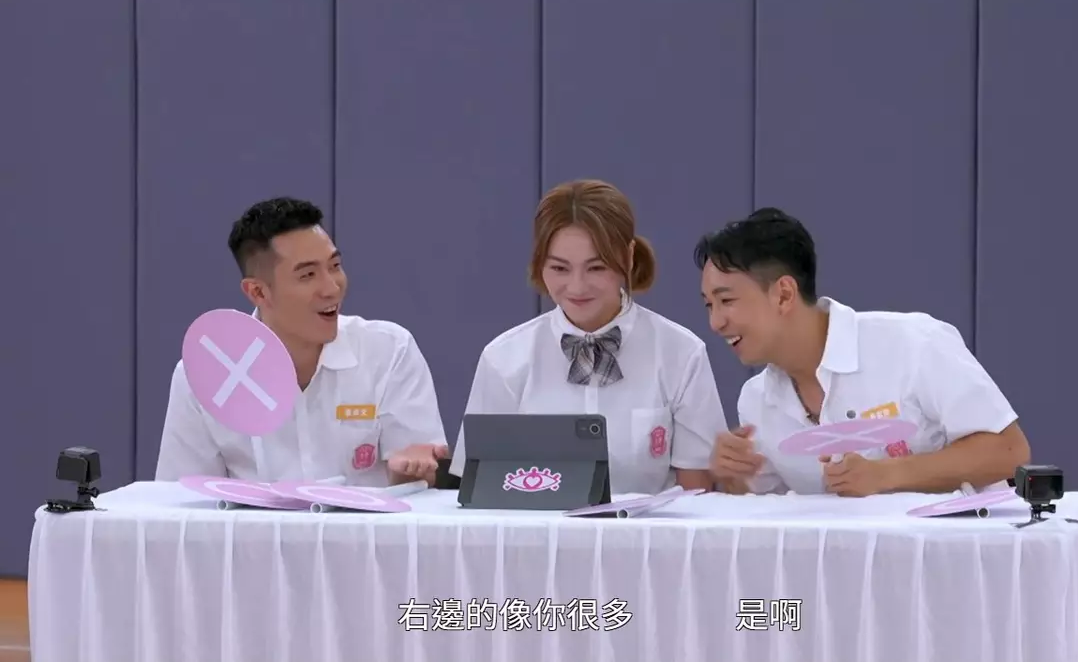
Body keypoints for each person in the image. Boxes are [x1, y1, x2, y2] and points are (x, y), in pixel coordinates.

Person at [696, 208, 1030, 496]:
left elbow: (1009, 451)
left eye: (726, 301)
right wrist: (734, 476)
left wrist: (888, 475)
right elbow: (773, 519)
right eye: (709, 305)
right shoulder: (755, 401)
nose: (715, 322)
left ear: (784, 294)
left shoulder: (915, 343)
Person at [448, 180, 727, 494]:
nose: (577, 287)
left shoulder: (681, 353)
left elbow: (696, 495)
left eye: (596, 268)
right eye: (560, 268)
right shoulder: (503, 359)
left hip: (650, 527)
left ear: (628, 257)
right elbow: (481, 488)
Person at [155, 197, 449, 487]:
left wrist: (412, 474)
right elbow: (179, 498)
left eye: (335, 265)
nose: (332, 288)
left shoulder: (390, 351)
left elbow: (425, 484)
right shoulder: (204, 374)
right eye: (308, 275)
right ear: (258, 292)